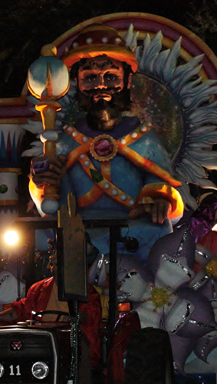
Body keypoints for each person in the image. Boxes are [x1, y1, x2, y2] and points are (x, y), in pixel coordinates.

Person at [29, 25, 183, 258]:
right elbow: (48, 199)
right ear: (78, 85)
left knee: (157, 228)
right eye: (90, 78)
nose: (101, 85)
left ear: (128, 82)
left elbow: (159, 179)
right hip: (78, 226)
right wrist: (43, 182)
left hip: (131, 226)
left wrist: (159, 199)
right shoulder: (64, 141)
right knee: (43, 231)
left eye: (111, 77)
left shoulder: (144, 138)